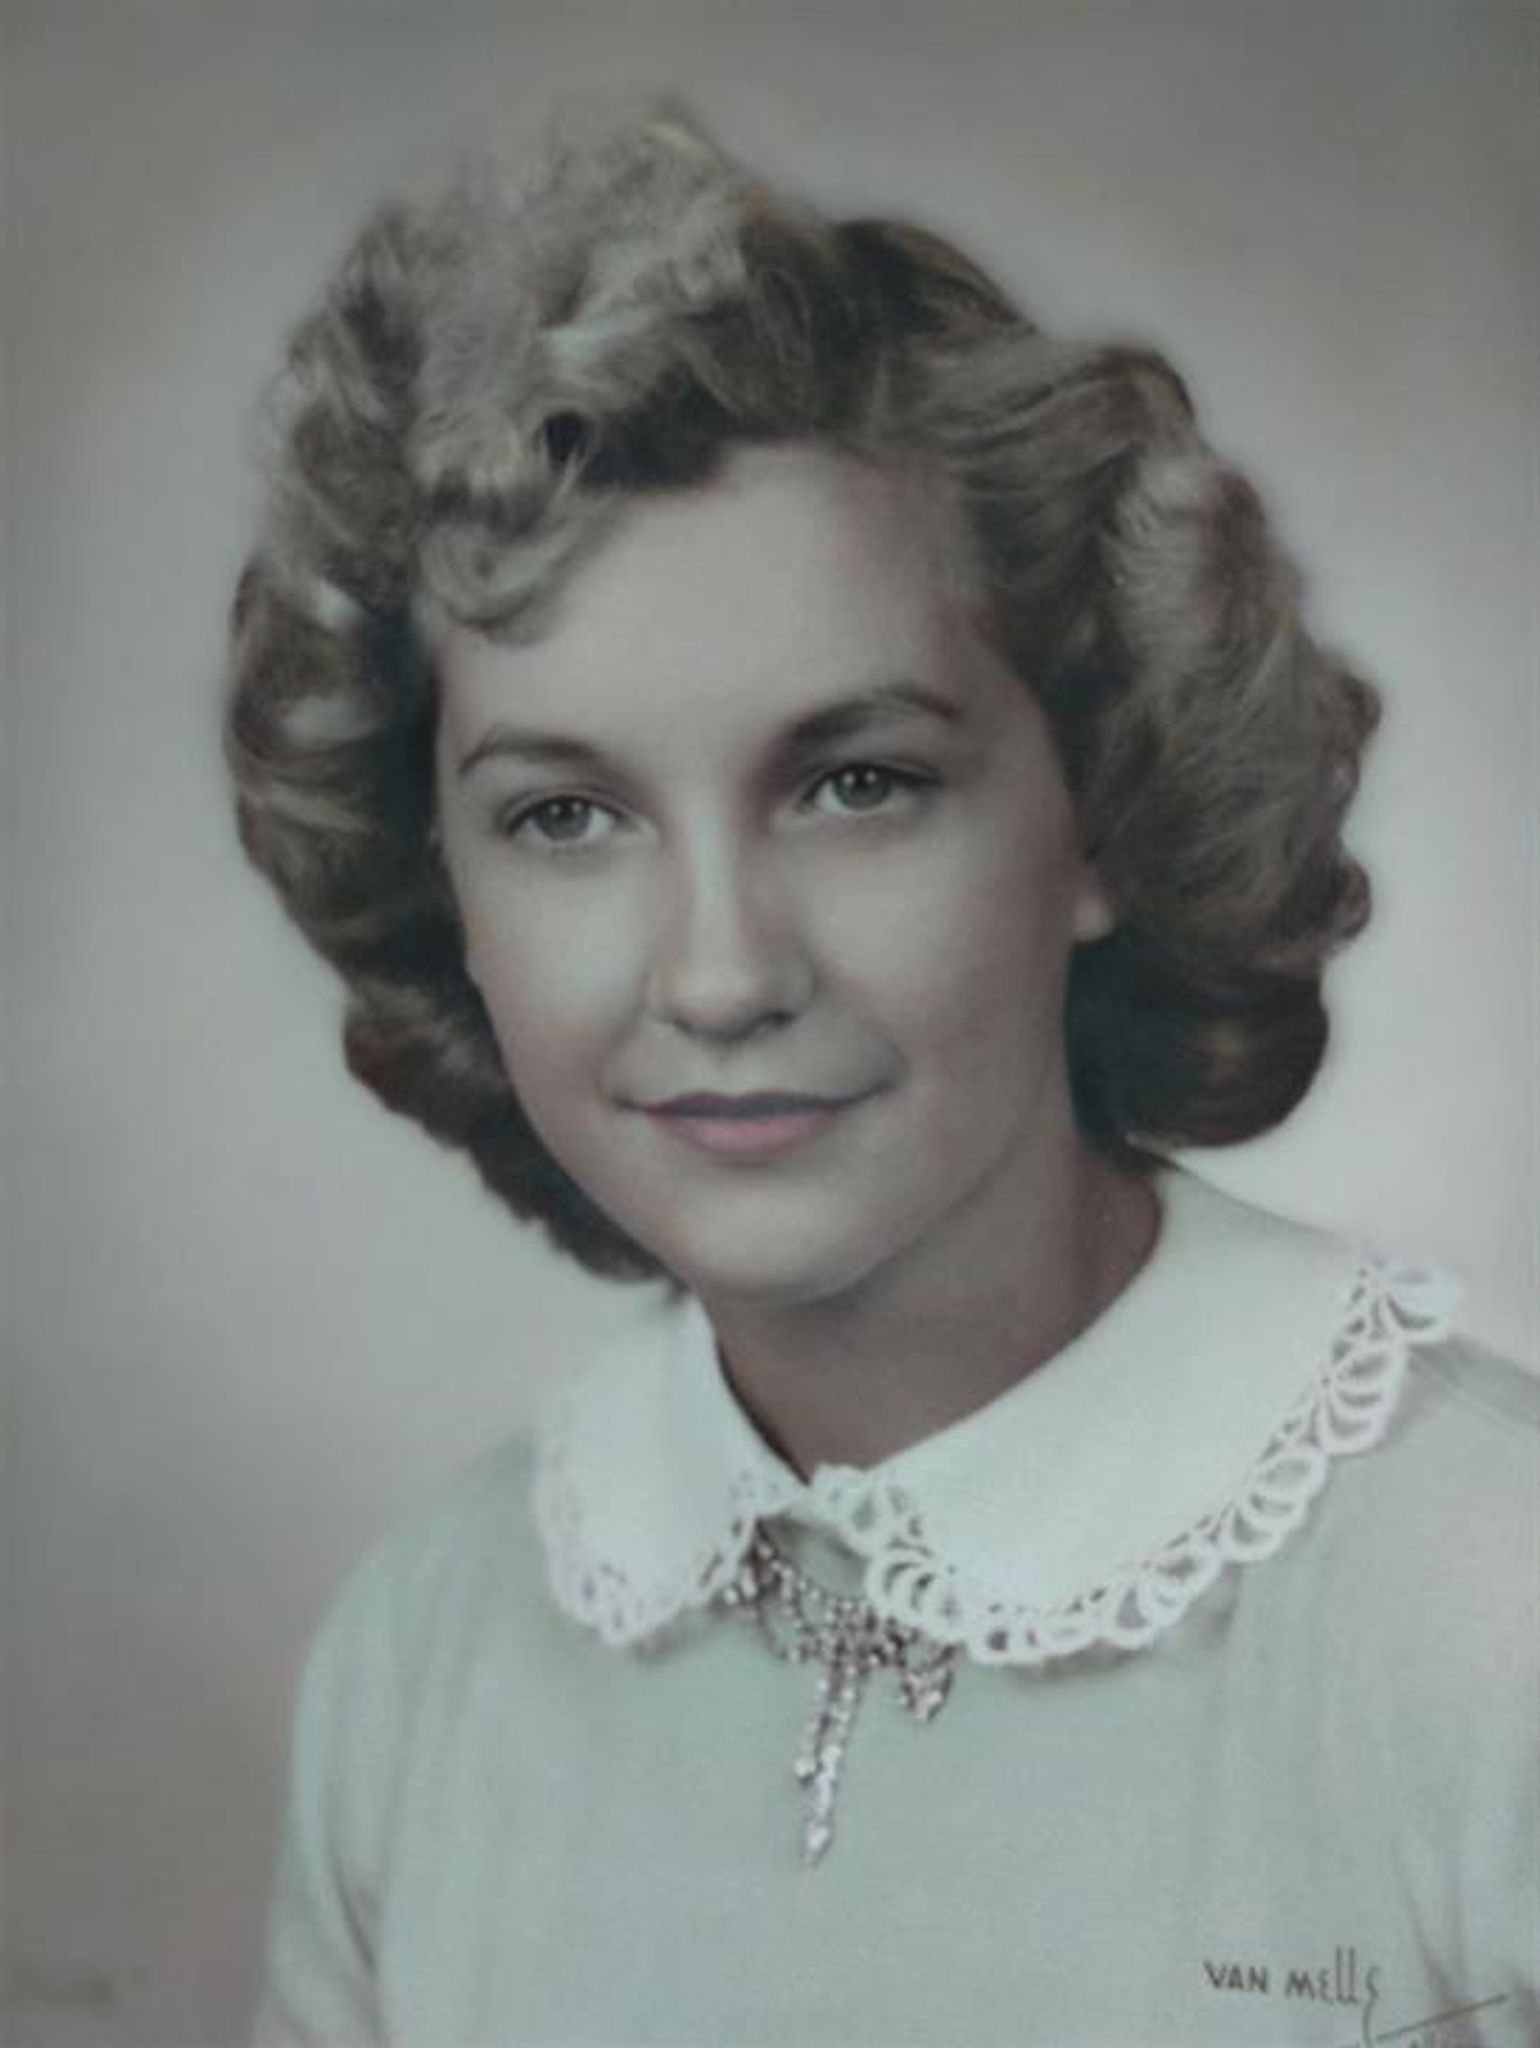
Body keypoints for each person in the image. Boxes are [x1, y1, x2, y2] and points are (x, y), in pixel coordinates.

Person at [228, 105, 1538, 2047]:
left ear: (1095, 809)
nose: (721, 972)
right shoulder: (421, 1662)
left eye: (855, 783)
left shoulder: (1492, 1607)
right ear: (447, 889)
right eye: (565, 813)